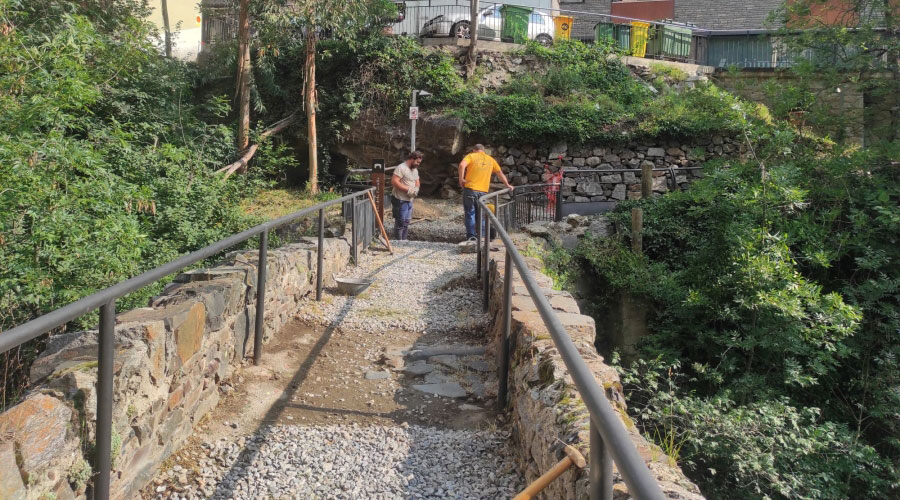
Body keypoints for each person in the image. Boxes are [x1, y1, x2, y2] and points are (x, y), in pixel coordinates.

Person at [458, 144, 512, 241]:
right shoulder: (490, 159)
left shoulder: (471, 156)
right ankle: (482, 236)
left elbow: (462, 165)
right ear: (483, 150)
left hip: (470, 189)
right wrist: (507, 185)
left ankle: (472, 237)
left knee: (470, 213)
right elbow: (500, 173)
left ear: (474, 150)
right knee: (481, 214)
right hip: (483, 192)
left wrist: (461, 179)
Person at [390, 150, 422, 240]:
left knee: (406, 222)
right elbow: (394, 181)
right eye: (417, 162)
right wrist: (407, 190)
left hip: (409, 200)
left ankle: (404, 241)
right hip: (400, 199)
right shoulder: (401, 168)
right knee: (400, 222)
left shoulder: (414, 170)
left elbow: (417, 181)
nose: (418, 164)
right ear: (412, 159)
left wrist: (416, 189)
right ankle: (399, 242)